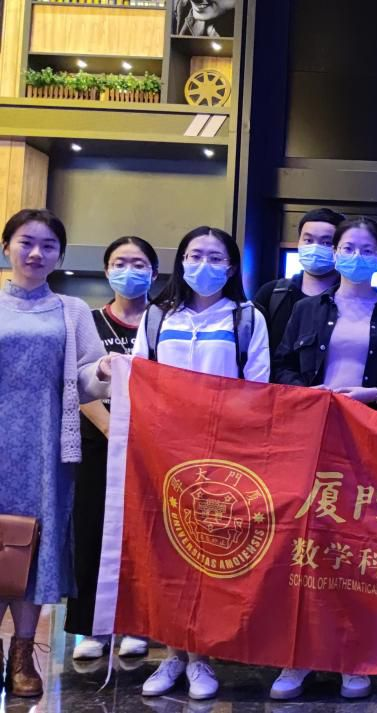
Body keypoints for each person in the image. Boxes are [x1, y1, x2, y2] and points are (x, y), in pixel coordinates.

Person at [269, 217, 377, 699]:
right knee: (306, 548)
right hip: (312, 440)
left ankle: (353, 657)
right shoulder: (305, 310)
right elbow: (281, 367)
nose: (356, 256)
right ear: (335, 253)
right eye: (347, 247)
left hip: (370, 442)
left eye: (366, 249)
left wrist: (376, 394)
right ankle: (296, 658)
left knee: (358, 549)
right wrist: (309, 394)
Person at [133, 226, 270, 700]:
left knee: (208, 554)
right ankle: (172, 654)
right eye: (195, 255)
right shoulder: (157, 315)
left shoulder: (247, 317)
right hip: (162, 453)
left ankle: (202, 658)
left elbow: (257, 388)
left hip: (221, 455)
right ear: (181, 261)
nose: (203, 265)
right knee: (167, 554)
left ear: (231, 267)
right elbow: (140, 377)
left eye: (215, 257)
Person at [0, 209, 110, 698]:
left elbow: (85, 380)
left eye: (48, 245)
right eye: (26, 242)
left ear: (60, 255)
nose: (36, 253)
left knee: (35, 547)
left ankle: (23, 652)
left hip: (48, 446)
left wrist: (102, 372)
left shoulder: (72, 310)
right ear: (7, 246)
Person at [66, 237, 159, 662]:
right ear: (106, 271)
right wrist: (111, 429)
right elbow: (76, 382)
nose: (129, 271)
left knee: (144, 532)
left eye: (138, 264)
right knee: (92, 530)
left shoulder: (163, 320)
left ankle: (138, 623)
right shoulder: (89, 322)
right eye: (120, 263)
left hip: (153, 444)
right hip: (99, 440)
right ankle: (93, 627)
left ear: (153, 273)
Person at [253, 208, 346, 358]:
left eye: (326, 242)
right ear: (299, 243)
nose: (315, 248)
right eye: (308, 240)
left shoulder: (351, 299)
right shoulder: (272, 293)